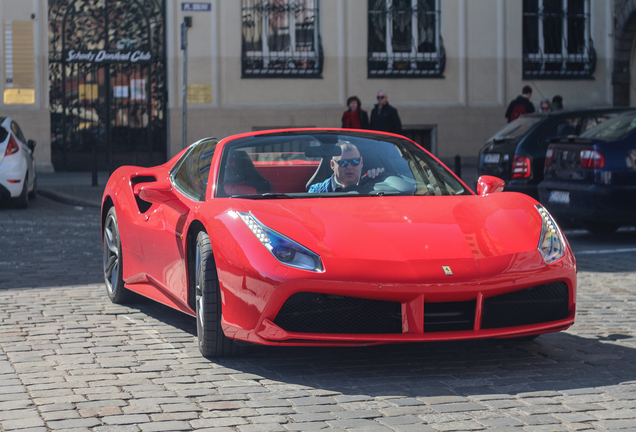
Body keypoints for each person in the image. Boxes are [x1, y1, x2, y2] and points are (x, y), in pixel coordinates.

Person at [308, 142, 384, 193]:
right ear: (332, 165)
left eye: (355, 161)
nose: (349, 167)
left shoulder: (372, 185)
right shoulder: (317, 191)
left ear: (361, 162)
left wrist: (379, 180)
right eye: (343, 163)